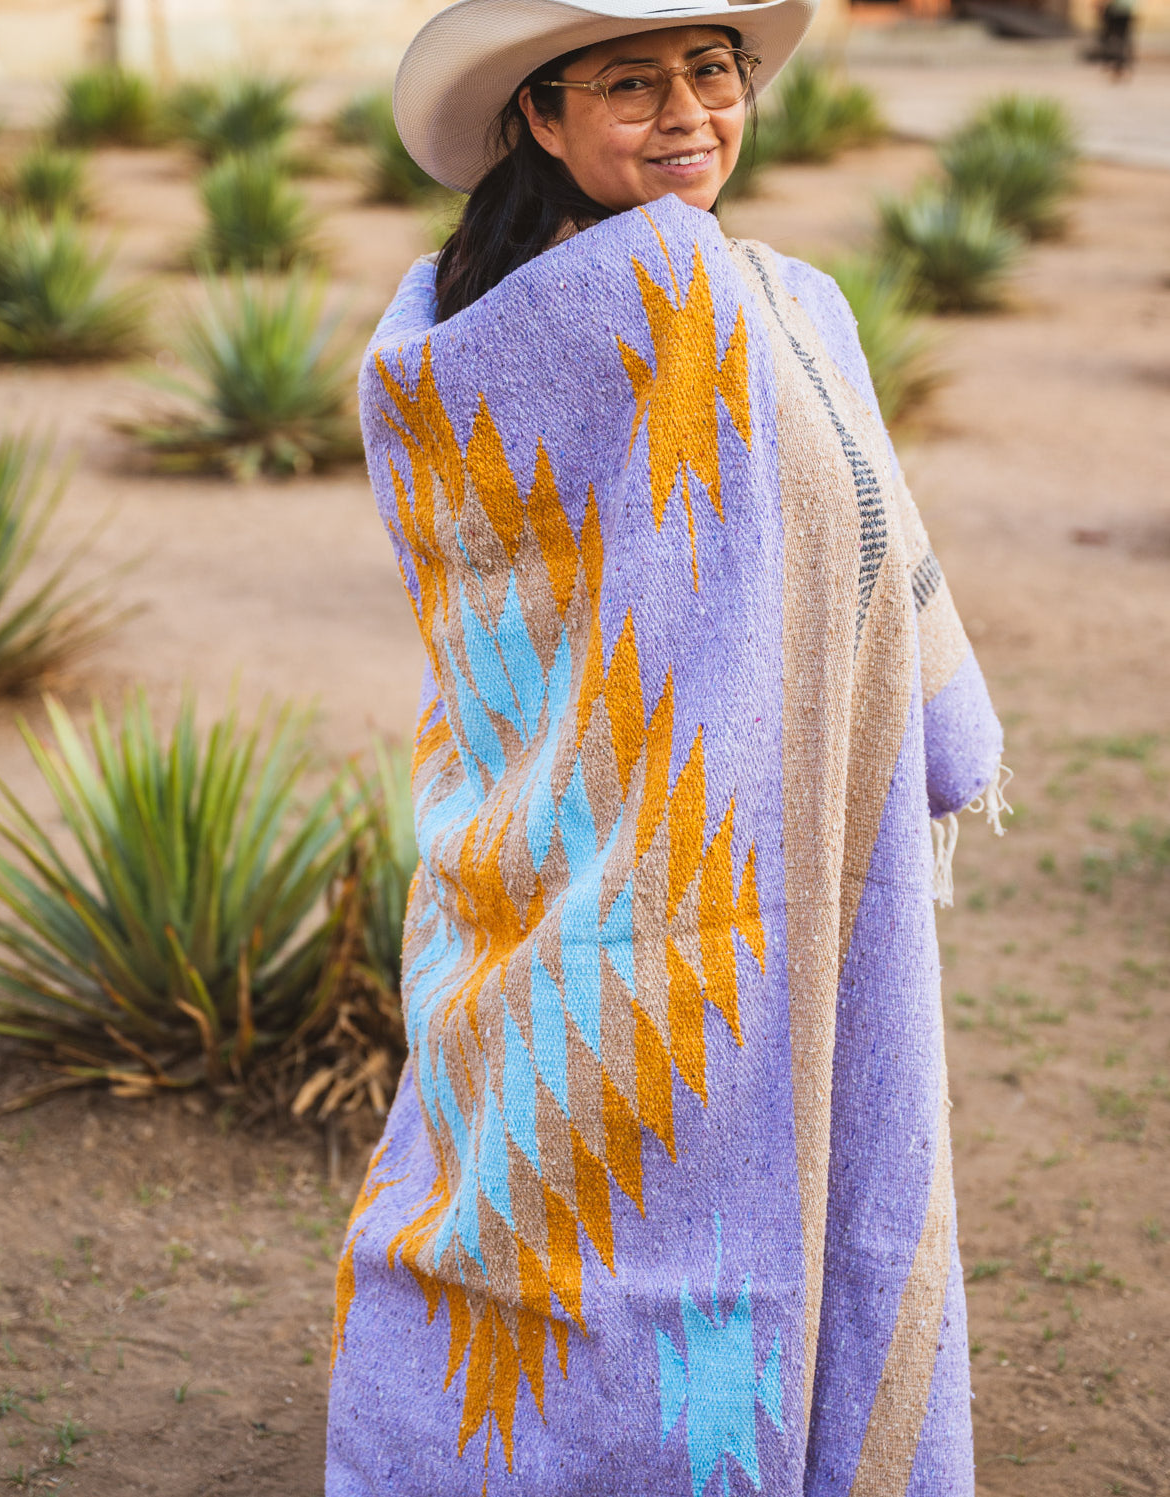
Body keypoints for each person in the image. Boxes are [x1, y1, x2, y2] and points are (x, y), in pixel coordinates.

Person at [327, 1, 1009, 1492]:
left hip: (667, 856)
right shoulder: (688, 296)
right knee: (673, 1195)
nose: (689, 111)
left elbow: (851, 537)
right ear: (541, 121)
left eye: (712, 71)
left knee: (559, 1189)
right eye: (631, 84)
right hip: (654, 862)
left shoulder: (763, 302)